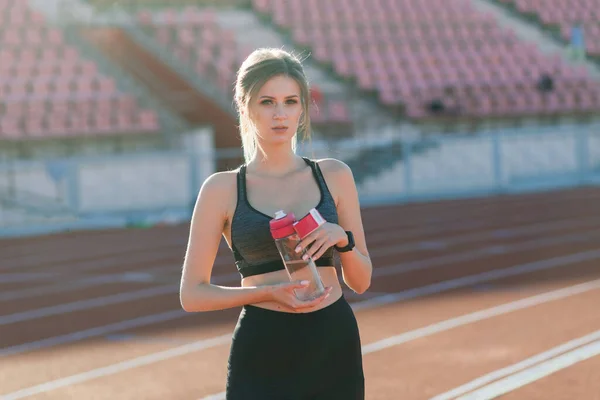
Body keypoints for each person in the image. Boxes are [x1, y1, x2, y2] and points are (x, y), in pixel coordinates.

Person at [179, 48, 372, 399]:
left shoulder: (335, 176)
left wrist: (343, 240)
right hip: (263, 344)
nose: (280, 114)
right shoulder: (221, 189)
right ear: (245, 106)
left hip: (332, 341)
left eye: (290, 101)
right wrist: (269, 292)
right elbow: (191, 294)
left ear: (302, 108)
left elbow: (361, 280)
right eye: (267, 102)